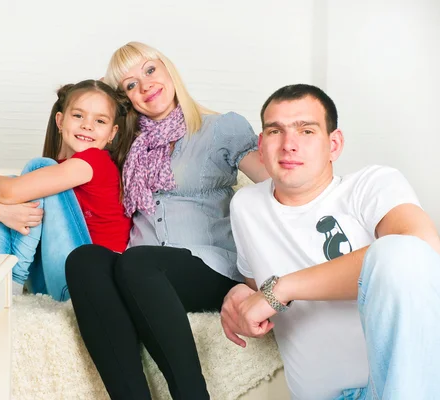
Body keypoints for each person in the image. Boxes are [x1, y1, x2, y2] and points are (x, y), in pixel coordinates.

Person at [65, 42, 270, 400]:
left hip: (207, 266)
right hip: (139, 272)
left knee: (139, 262)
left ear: (167, 68)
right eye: (129, 85)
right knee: (86, 259)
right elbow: (71, 146)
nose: (144, 86)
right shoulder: (124, 141)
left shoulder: (221, 128)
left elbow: (277, 187)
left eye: (149, 70)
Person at [222, 83, 440, 400]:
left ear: (334, 144)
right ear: (261, 144)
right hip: (322, 395)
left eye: (306, 131)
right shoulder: (246, 207)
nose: (288, 145)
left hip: (399, 387)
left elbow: (421, 249)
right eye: (275, 131)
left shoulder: (370, 185)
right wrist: (239, 290)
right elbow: (259, 295)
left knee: (399, 252)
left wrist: (282, 287)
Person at [0, 79, 134, 300]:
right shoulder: (61, 170)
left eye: (100, 121)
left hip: (89, 280)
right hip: (48, 280)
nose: (87, 125)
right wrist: (3, 212)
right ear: (60, 120)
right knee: (15, 181)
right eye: (78, 115)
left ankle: (10, 280)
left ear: (112, 133)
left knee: (37, 168)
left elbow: (8, 192)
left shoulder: (96, 162)